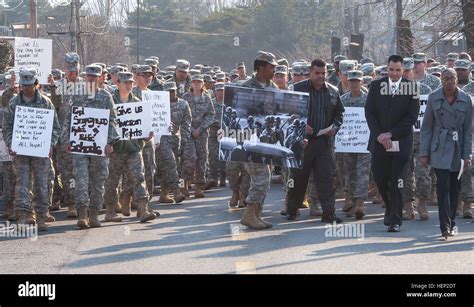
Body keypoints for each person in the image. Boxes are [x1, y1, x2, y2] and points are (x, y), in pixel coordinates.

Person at [365, 54, 420, 232]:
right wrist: (380, 135)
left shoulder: (412, 88)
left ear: (403, 70)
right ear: (387, 69)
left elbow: (411, 117)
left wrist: (391, 133)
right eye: (391, 69)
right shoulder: (375, 86)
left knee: (397, 181)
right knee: (381, 179)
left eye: (398, 70)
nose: (394, 73)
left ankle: (395, 218)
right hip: (380, 142)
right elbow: (370, 113)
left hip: (401, 142)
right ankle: (390, 207)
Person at [286, 58, 345, 224]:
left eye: (323, 73)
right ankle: (292, 210)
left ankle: (329, 213)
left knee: (326, 178)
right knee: (298, 178)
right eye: (317, 73)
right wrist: (300, 124)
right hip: (302, 141)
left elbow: (340, 113)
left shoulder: (333, 91)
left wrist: (335, 126)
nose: (321, 76)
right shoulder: (297, 89)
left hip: (324, 142)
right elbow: (287, 112)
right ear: (310, 73)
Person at [61, 64, 120, 229]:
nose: (92, 79)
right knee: (81, 179)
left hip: (99, 146)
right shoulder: (77, 96)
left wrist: (110, 142)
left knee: (98, 180)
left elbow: (112, 120)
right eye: (89, 76)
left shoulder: (106, 97)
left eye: (95, 76)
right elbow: (68, 119)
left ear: (101, 77)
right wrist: (66, 140)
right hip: (80, 146)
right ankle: (82, 215)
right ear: (85, 77)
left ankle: (94, 214)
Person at [2, 68, 61, 231]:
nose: (27, 88)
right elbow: (6, 126)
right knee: (22, 184)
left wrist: (50, 144)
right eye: (24, 85)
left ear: (36, 84)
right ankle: (23, 216)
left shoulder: (46, 102)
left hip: (40, 151)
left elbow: (55, 127)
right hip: (20, 152)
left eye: (30, 85)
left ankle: (41, 216)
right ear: (20, 85)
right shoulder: (14, 103)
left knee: (42, 183)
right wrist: (10, 143)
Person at [420, 68, 472, 239]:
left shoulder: (466, 99)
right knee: (442, 188)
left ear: (457, 79)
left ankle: (452, 221)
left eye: (452, 78)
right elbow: (427, 128)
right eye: (446, 78)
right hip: (439, 147)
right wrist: (424, 152)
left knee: (454, 189)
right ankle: (445, 226)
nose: (449, 81)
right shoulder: (434, 97)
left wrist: (467, 155)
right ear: (441, 80)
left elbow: (469, 131)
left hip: (458, 149)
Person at [103, 72, 157, 223]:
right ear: (118, 83)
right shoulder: (110, 101)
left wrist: (147, 134)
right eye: (125, 82)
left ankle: (143, 208)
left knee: (138, 177)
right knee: (112, 180)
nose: (128, 85)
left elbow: (144, 127)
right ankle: (109, 211)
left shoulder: (138, 103)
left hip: (134, 148)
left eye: (130, 82)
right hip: (116, 149)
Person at [239, 51, 279, 230]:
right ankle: (249, 213)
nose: (274, 70)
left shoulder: (274, 89)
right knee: (261, 177)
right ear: (261, 67)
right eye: (271, 67)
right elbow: (236, 114)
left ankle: (257, 214)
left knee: (265, 178)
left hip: (267, 141)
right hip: (250, 141)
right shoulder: (246, 87)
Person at [340, 70, 371, 220]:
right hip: (348, 142)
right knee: (350, 171)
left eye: (356, 81)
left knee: (363, 171)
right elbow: (338, 119)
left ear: (361, 82)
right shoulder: (343, 100)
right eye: (351, 81)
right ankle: (351, 201)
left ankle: (360, 202)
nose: (354, 84)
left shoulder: (368, 99)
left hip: (364, 141)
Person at [155, 81, 191, 203]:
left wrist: (185, 141)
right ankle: (176, 192)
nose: (170, 94)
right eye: (167, 92)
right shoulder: (158, 105)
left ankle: (163, 194)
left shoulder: (183, 104)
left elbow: (186, 124)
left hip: (175, 139)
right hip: (161, 139)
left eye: (172, 91)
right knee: (171, 164)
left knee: (171, 166)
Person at [181, 74, 215, 198]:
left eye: (199, 82)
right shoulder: (185, 97)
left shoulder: (207, 98)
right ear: (191, 84)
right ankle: (183, 185)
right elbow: (182, 115)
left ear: (202, 84)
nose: (196, 84)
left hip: (202, 133)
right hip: (188, 133)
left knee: (202, 159)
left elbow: (211, 115)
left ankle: (199, 186)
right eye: (194, 81)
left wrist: (200, 129)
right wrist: (190, 129)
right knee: (188, 158)